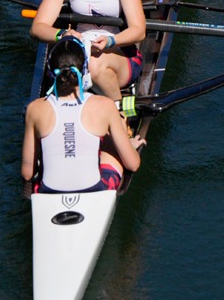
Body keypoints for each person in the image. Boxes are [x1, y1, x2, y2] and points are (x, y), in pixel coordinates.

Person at [21, 35, 143, 194]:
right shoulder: (105, 105)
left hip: (48, 191)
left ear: (51, 70)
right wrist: (130, 146)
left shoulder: (34, 108)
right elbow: (133, 165)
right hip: (95, 189)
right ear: (85, 70)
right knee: (111, 145)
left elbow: (27, 173)